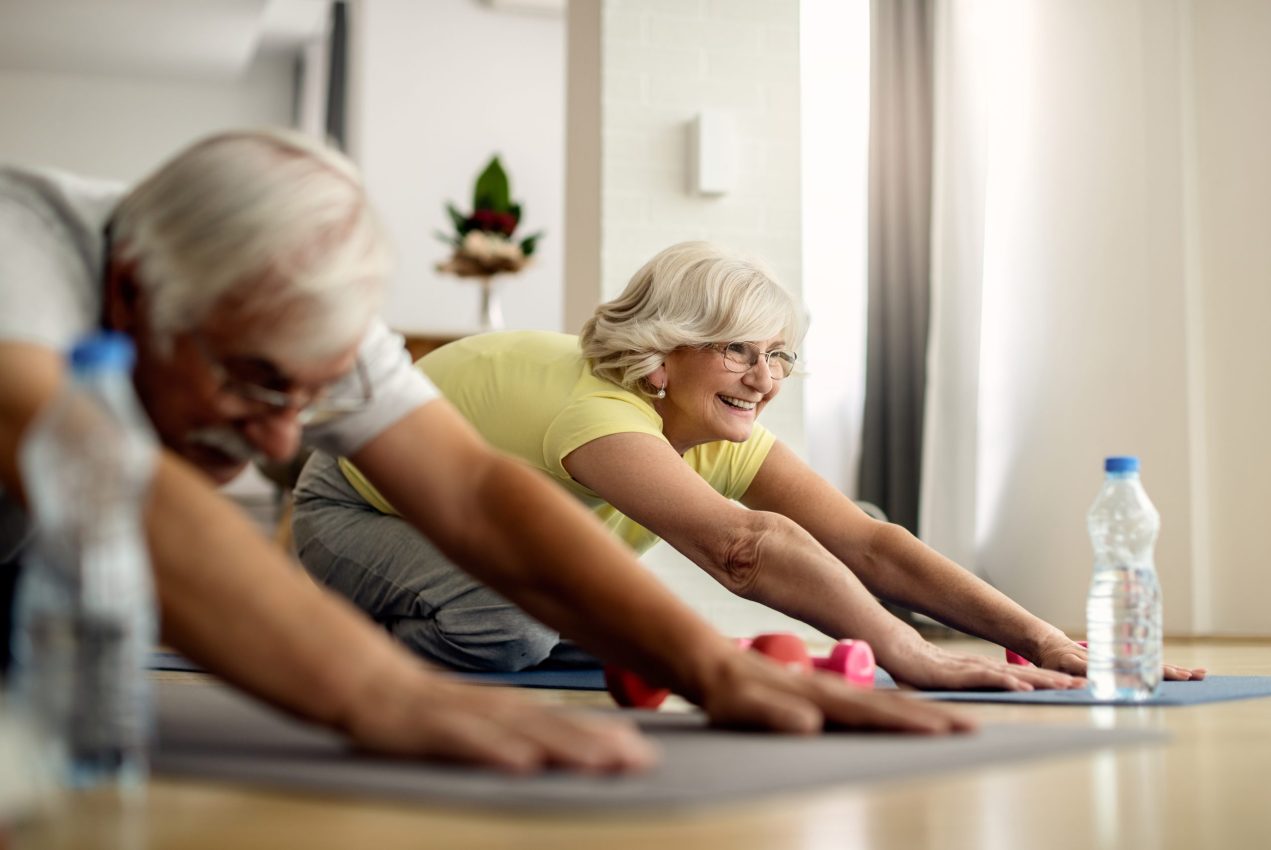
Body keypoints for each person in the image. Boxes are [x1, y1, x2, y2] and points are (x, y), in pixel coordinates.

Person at [0, 131, 976, 777]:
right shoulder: (21, 262)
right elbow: (115, 490)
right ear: (127, 293)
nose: (284, 440)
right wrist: (379, 690)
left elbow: (473, 493)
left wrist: (703, 666)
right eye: (257, 384)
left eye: (313, 396)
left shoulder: (304, 314)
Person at [292, 242, 1203, 688]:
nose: (764, 380)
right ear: (666, 349)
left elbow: (870, 547)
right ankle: (326, 639)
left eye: (778, 355)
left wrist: (1043, 637)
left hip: (477, 527)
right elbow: (744, 550)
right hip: (359, 507)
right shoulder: (602, 411)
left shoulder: (710, 423)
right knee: (511, 630)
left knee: (605, 618)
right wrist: (908, 654)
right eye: (736, 351)